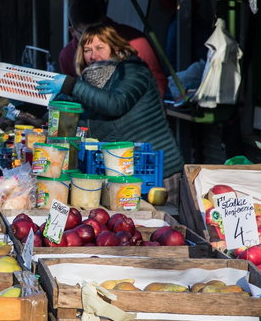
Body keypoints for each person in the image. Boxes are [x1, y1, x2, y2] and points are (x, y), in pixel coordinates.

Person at [38, 24, 184, 199]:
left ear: (115, 48)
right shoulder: (90, 83)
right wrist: (49, 107)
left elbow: (115, 104)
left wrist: (71, 85)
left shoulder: (133, 70)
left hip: (157, 172)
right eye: (87, 50)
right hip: (122, 173)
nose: (93, 56)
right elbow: (79, 117)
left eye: (100, 48)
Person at [58, 0, 168, 97]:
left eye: (99, 30)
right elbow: (70, 96)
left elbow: (158, 81)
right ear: (72, 32)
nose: (95, 38)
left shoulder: (135, 40)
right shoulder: (67, 56)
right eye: (86, 34)